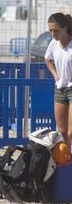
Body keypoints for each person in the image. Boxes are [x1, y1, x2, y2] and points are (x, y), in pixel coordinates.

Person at [45, 12, 72, 151]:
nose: (53, 34)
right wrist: (55, 74)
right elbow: (47, 59)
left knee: (70, 132)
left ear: (65, 28)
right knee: (61, 132)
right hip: (60, 88)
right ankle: (67, 164)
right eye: (50, 30)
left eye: (56, 30)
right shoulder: (54, 44)